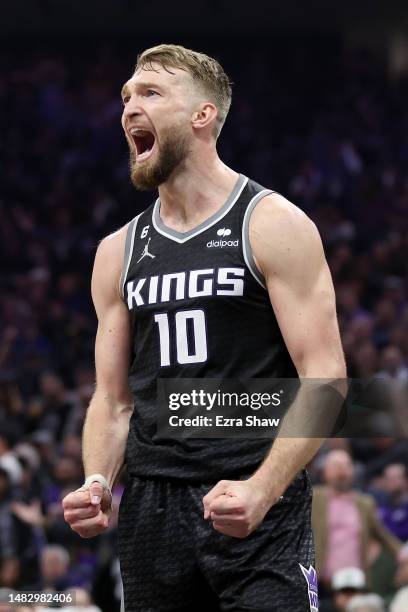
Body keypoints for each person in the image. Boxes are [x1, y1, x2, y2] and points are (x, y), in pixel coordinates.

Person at [62, 44, 346, 611]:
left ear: (202, 116)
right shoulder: (116, 251)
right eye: (125, 96)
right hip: (152, 508)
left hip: (255, 496)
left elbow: (327, 379)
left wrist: (264, 491)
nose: (128, 108)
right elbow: (114, 400)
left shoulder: (273, 224)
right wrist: (97, 480)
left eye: (150, 93)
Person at [312, 450, 402, 587]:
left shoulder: (365, 503)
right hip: (320, 582)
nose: (341, 471)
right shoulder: (314, 498)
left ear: (353, 472)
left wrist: (402, 553)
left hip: (356, 582)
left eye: (346, 466)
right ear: (325, 472)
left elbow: (383, 535)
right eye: (336, 466)